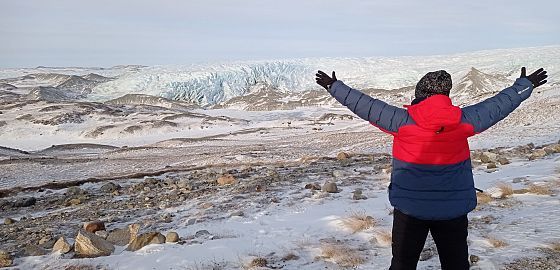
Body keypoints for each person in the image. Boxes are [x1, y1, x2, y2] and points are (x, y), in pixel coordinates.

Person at [315, 67, 548, 270]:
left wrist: (334, 86)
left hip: (409, 209)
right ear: (446, 95)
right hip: (453, 210)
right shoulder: (465, 120)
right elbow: (498, 105)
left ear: (419, 94)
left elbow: (366, 106)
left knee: (403, 265)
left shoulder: (402, 121)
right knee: (455, 264)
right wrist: (524, 86)